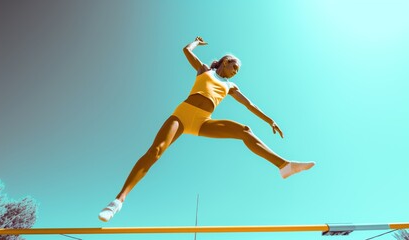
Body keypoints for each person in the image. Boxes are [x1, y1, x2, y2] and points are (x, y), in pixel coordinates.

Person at [98, 36, 315, 222]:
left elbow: (249, 104)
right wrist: (196, 42)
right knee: (155, 151)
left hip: (202, 121)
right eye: (234, 66)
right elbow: (185, 51)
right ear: (225, 62)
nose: (235, 72)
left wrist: (270, 120)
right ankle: (118, 201)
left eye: (237, 70)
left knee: (244, 130)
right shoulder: (204, 71)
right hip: (181, 116)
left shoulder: (231, 86)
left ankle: (284, 165)